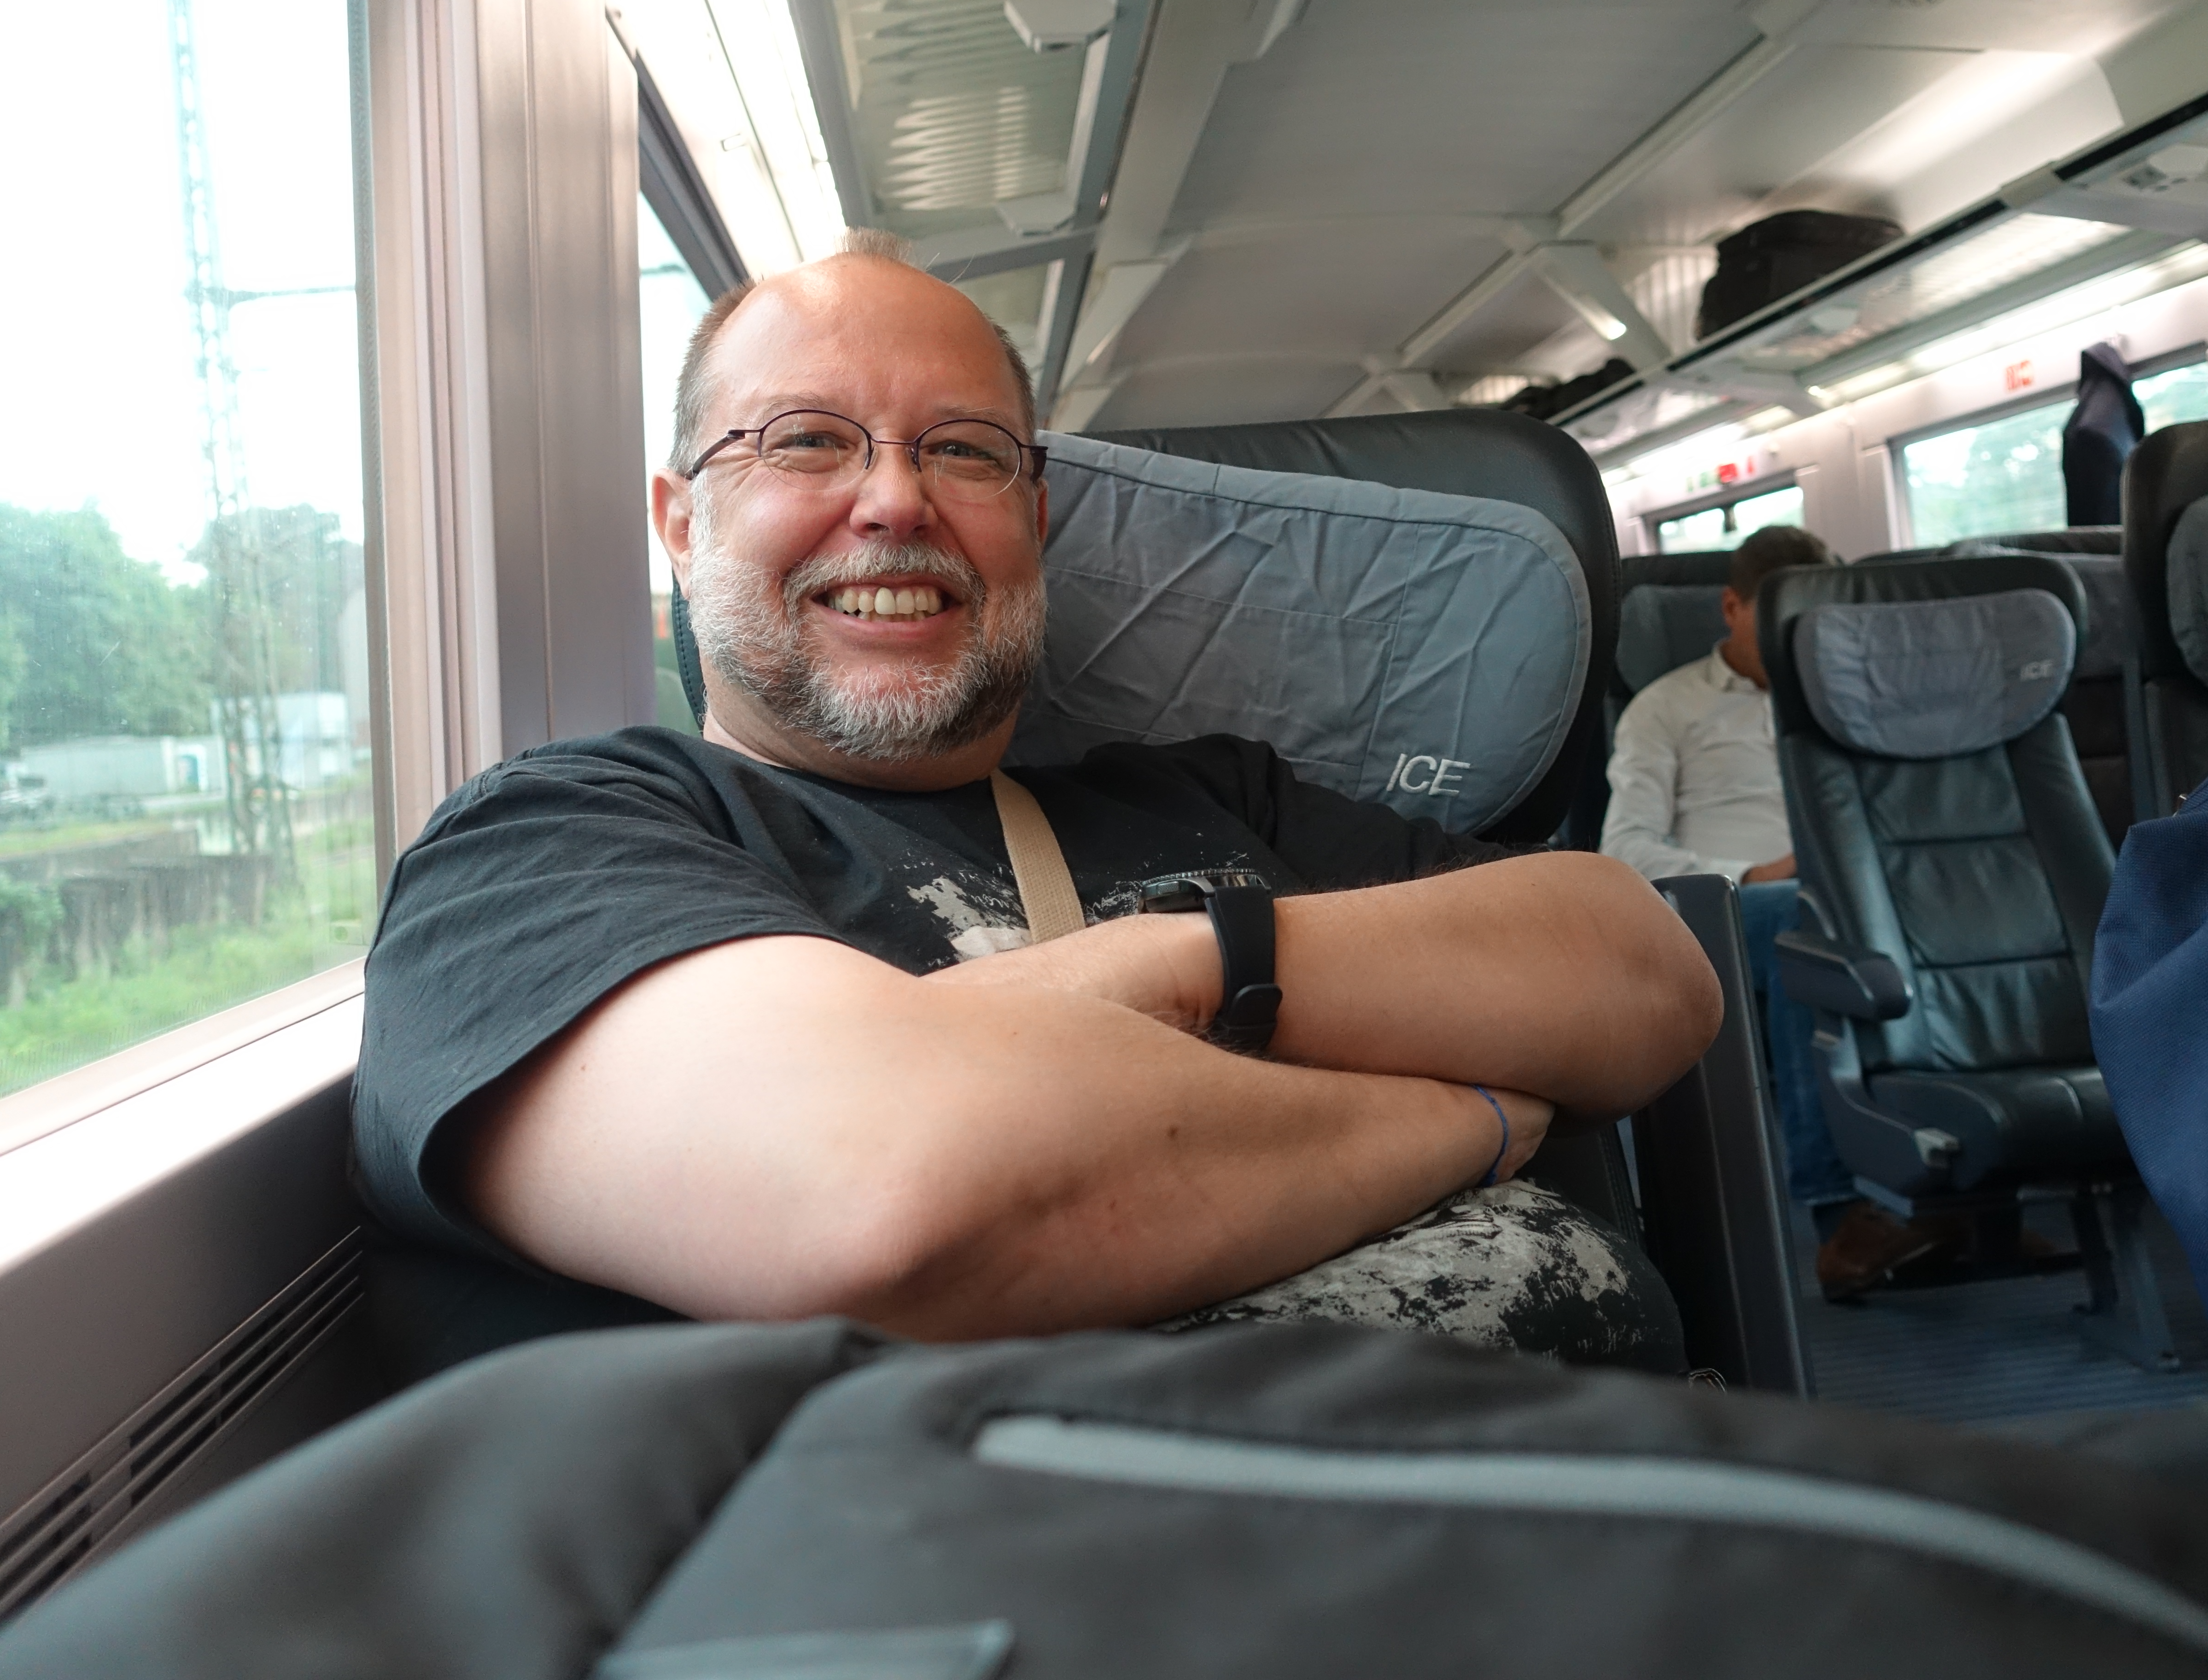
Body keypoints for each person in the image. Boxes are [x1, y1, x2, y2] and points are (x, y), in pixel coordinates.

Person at [348, 230, 1721, 1369]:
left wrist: (1187, 964)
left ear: (1037, 518)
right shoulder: (551, 844)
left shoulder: (1210, 795)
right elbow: (894, 1197)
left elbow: (1642, 972)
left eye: (964, 452)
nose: (894, 500)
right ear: (681, 522)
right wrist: (1466, 1120)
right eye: (810, 442)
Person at [1600, 525, 1953, 1299]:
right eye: (1783, 613)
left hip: (1859, 889)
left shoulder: (1855, 692)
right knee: (1802, 923)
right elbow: (1624, 848)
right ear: (1733, 607)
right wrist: (1753, 871)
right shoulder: (1666, 709)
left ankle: (1961, 1196)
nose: (1803, 633)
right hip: (1731, 904)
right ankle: (1839, 1215)